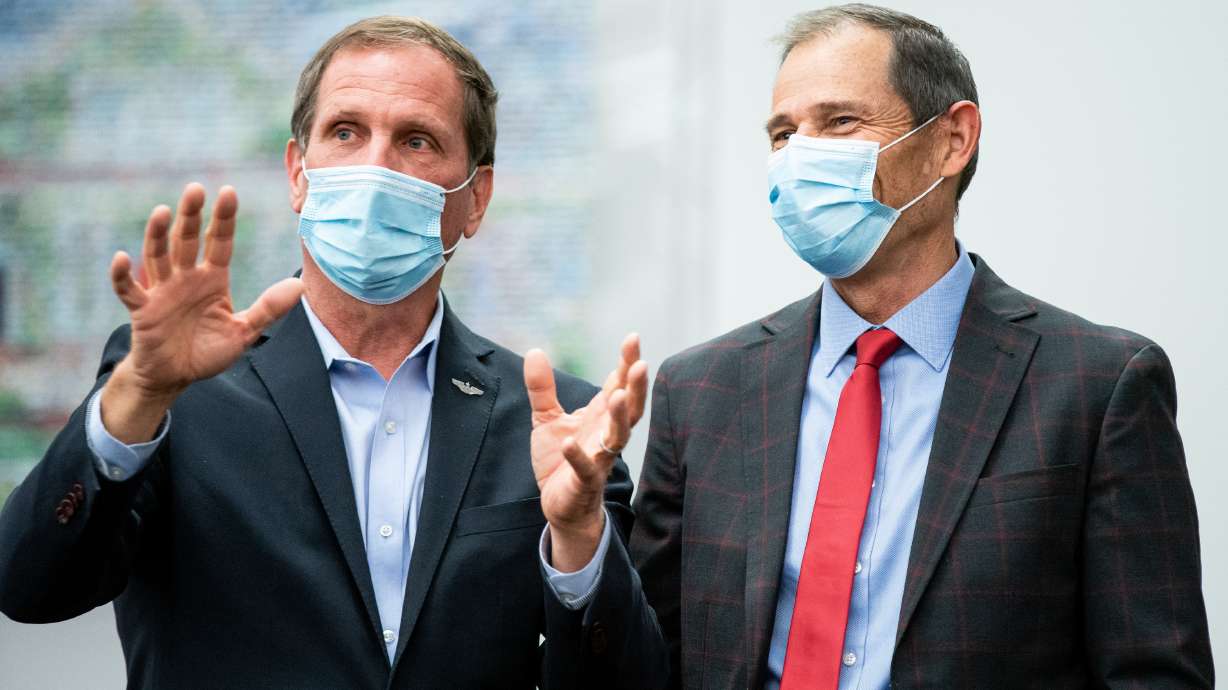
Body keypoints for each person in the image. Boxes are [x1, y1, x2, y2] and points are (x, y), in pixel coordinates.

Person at [0, 16, 666, 689]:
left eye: (416, 140)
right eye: (346, 132)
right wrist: (136, 396)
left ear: (475, 199)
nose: (376, 167)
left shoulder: (557, 424)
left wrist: (578, 539)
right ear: (298, 173)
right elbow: (29, 587)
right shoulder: (173, 392)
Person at [627, 4, 1214, 688]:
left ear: (952, 140)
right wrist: (579, 538)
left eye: (840, 122)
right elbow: (647, 658)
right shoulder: (700, 391)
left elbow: (1153, 673)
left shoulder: (1096, 386)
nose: (798, 158)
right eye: (783, 134)